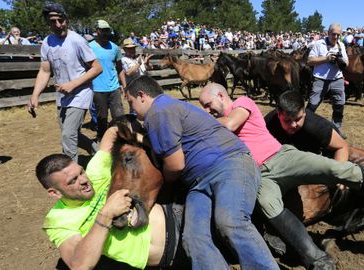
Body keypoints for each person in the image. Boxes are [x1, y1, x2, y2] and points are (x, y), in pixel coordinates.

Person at [199, 83, 364, 270]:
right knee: (269, 206)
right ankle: (317, 260)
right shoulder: (264, 122)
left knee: (339, 169)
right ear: (278, 114)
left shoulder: (246, 107)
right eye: (286, 121)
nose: (292, 126)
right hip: (262, 175)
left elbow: (341, 148)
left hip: (288, 159)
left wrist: (335, 177)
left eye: (209, 105)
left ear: (222, 95)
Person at [124, 76, 279, 270]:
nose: (132, 109)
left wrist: (166, 181)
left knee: (231, 221)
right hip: (199, 181)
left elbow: (176, 165)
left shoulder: (158, 112)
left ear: (142, 96)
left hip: (228, 164)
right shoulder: (168, 108)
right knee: (193, 237)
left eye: (131, 102)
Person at [37, 117, 184, 270]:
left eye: (81, 172)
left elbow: (113, 131)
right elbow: (79, 265)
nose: (83, 180)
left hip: (175, 214)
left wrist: (143, 140)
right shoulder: (58, 220)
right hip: (171, 253)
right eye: (72, 181)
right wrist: (105, 214)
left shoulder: (95, 172)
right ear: (55, 193)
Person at [28, 2, 101, 162]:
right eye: (53, 21)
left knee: (68, 135)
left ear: (66, 19)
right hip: (62, 96)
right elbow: (45, 71)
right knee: (70, 134)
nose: (58, 25)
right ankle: (100, 153)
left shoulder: (77, 41)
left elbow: (96, 68)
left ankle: (71, 174)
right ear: (48, 22)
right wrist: (35, 95)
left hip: (80, 94)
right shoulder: (47, 42)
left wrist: (73, 84)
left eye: (61, 20)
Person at [306, 23, 348, 132]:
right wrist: (327, 59)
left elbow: (346, 62)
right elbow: (309, 61)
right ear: (328, 33)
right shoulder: (319, 44)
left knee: (339, 105)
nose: (336, 37)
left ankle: (336, 129)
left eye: (338, 35)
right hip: (320, 79)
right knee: (313, 104)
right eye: (333, 34)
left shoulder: (341, 45)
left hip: (337, 79)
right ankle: (305, 127)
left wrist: (340, 62)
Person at [89, 19, 125, 141]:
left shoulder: (115, 48)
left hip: (114, 88)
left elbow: (120, 69)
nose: (106, 33)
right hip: (98, 88)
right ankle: (102, 140)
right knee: (102, 117)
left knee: (119, 116)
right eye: (103, 31)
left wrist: (124, 86)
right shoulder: (89, 47)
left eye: (107, 31)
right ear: (97, 31)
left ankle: (122, 139)